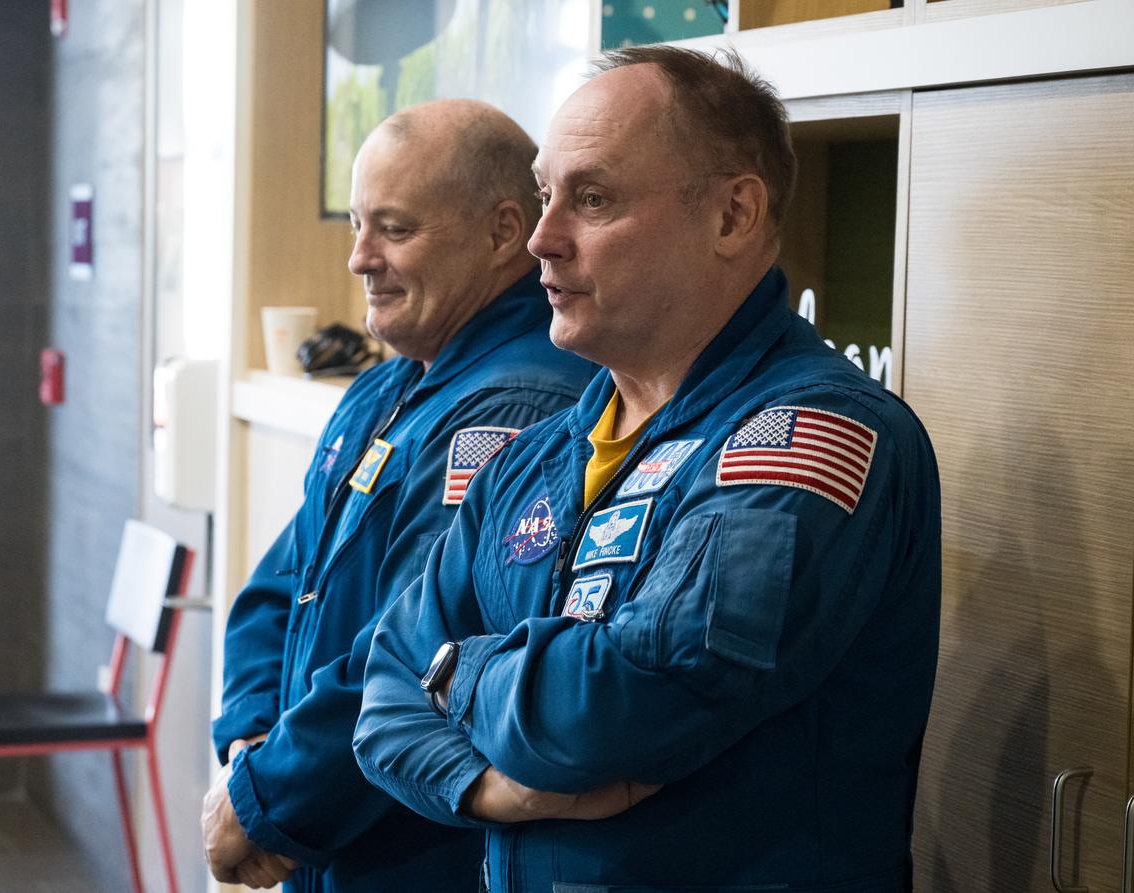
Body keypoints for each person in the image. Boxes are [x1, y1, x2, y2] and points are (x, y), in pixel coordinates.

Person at [354, 46, 941, 892]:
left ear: (734, 216)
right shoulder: (539, 454)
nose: (543, 239)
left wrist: (455, 669)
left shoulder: (809, 434)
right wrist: (491, 789)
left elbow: (615, 711)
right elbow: (383, 694)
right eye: (547, 194)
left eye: (592, 199)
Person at [201, 99, 596, 892]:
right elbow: (279, 588)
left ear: (501, 231)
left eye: (394, 228)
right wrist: (250, 749)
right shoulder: (384, 387)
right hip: (321, 835)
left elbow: (413, 653)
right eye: (355, 223)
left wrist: (267, 797)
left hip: (414, 857)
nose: (358, 257)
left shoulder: (519, 405)